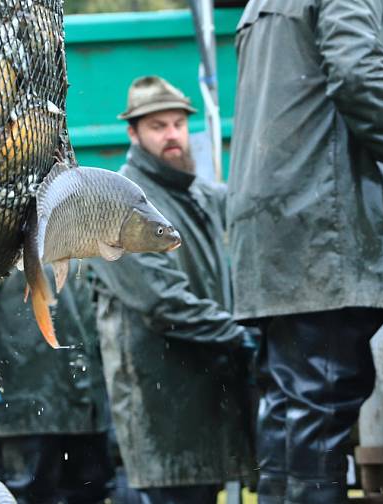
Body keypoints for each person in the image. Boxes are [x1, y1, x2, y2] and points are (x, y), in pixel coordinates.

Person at [228, 1, 383, 502]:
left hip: (273, 225)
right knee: (318, 406)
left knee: (289, 407)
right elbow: (356, 71)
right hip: (324, 222)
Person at [89, 75, 254, 504]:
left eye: (178, 124)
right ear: (134, 133)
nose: (172, 135)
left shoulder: (199, 194)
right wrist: (241, 335)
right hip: (159, 402)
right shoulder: (118, 204)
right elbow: (161, 300)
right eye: (158, 126)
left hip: (207, 395)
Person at [0, 264, 113, 504]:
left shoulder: (80, 241)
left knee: (90, 490)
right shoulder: (6, 245)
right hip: (26, 402)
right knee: (32, 494)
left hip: (83, 404)